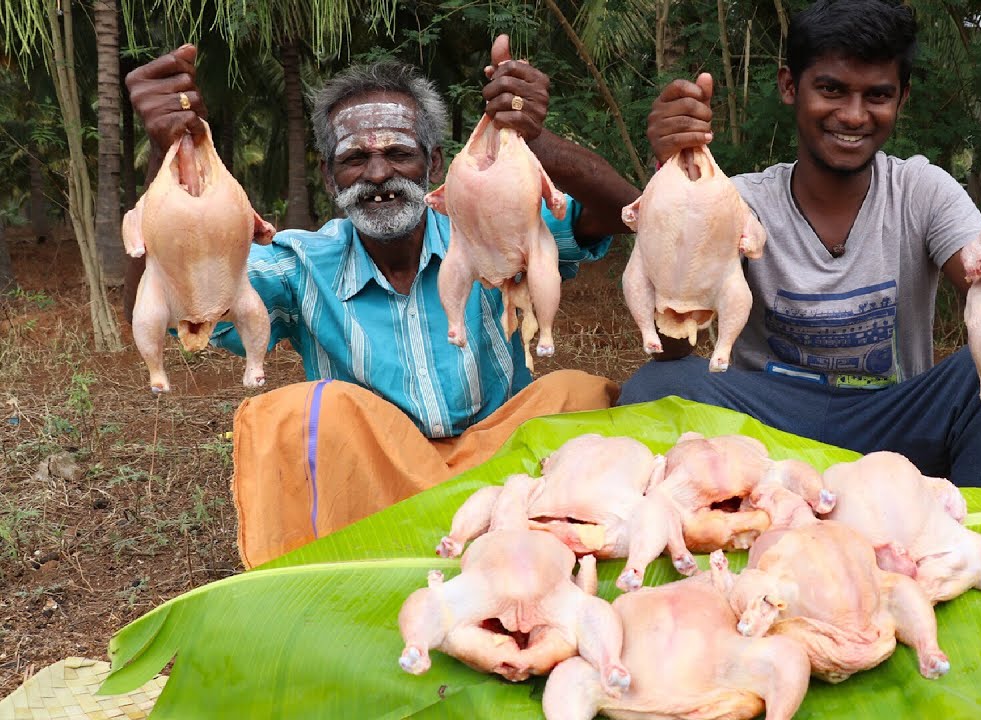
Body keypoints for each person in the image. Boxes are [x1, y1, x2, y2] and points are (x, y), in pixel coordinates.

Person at [123, 36, 640, 568]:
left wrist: (534, 141)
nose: (377, 175)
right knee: (289, 414)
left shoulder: (489, 224)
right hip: (375, 492)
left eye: (398, 153)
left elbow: (626, 214)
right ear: (328, 176)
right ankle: (321, 593)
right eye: (354, 159)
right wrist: (169, 157)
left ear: (434, 164)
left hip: (503, 471)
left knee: (577, 394)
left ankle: (575, 564)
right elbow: (165, 306)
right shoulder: (302, 264)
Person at [619, 0, 981, 489]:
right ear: (789, 87)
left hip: (893, 424)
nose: (854, 115)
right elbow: (672, 340)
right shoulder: (740, 199)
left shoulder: (924, 191)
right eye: (831, 89)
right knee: (658, 386)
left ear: (902, 98)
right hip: (762, 423)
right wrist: (671, 179)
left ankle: (973, 548)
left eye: (877, 95)